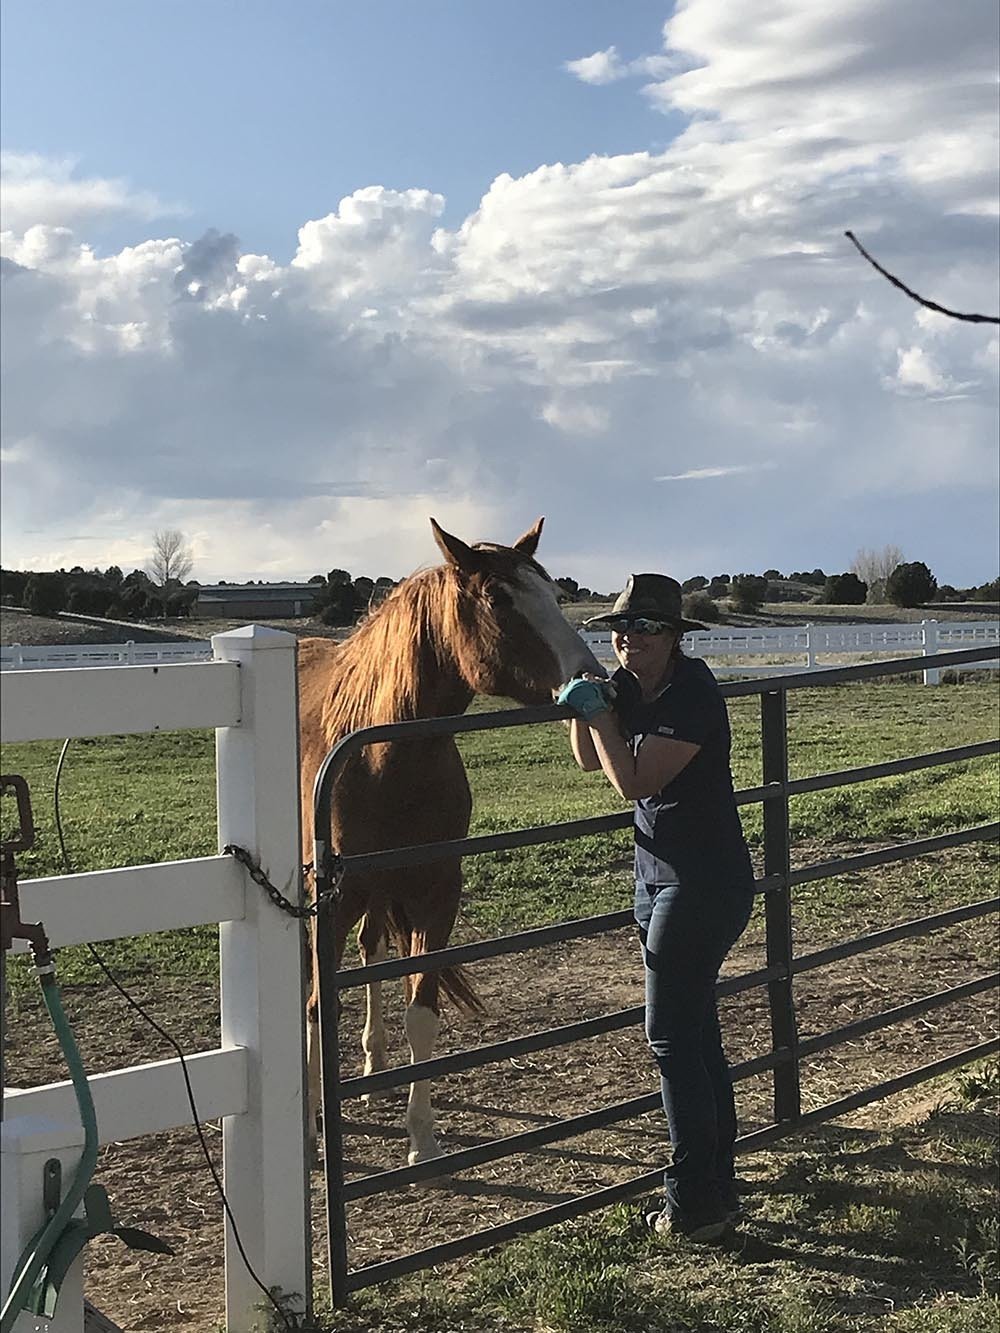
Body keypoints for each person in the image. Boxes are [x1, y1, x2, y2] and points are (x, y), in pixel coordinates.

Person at [558, 573, 755, 1241]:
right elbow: (591, 761)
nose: (628, 638)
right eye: (620, 628)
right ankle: (716, 1188)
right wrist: (581, 709)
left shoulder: (692, 694)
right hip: (660, 879)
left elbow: (633, 780)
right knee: (696, 1038)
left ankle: (691, 1202)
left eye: (644, 627)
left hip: (701, 883)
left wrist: (599, 716)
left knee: (671, 1038)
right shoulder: (633, 687)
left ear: (673, 636)